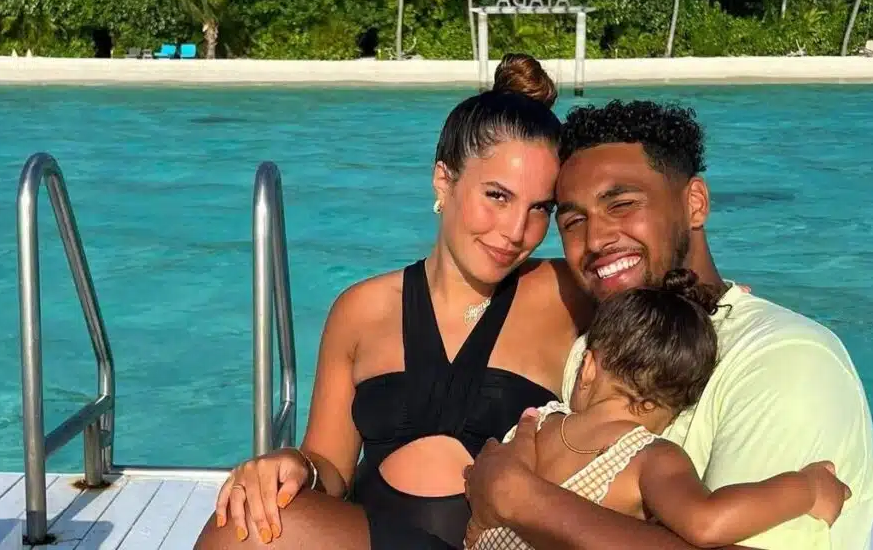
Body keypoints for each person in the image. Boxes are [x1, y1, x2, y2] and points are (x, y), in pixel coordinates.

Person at [194, 54, 589, 550]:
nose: (515, 231)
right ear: (443, 180)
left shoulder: (565, 294)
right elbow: (330, 467)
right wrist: (294, 464)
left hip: (495, 542)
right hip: (371, 534)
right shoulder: (361, 310)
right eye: (497, 196)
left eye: (539, 209)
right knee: (243, 522)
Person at [462, 100, 873, 550]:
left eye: (622, 204)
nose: (596, 239)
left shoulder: (783, 360)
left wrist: (524, 500)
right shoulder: (599, 344)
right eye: (574, 221)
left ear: (695, 204)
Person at [467, 268, 851, 550]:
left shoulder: (537, 424)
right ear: (680, 404)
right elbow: (706, 523)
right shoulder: (647, 457)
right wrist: (808, 488)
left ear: (589, 368)